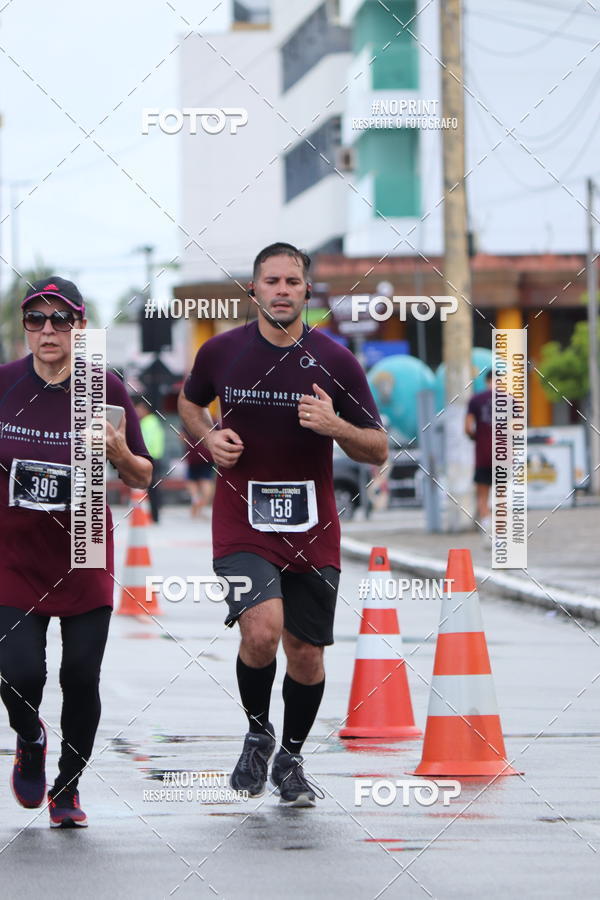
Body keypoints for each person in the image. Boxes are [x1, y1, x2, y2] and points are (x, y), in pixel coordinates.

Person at [178, 243, 387, 807]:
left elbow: (378, 449)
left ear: (306, 291)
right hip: (242, 520)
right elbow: (190, 403)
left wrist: (334, 424)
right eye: (271, 280)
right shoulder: (220, 353)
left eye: (292, 281)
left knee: (307, 652)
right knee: (262, 630)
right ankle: (256, 731)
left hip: (313, 526)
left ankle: (290, 756)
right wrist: (206, 436)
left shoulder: (337, 362)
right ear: (254, 289)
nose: (282, 290)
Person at [0, 277, 152, 827]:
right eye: (35, 320)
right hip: (13, 555)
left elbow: (141, 472)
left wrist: (120, 453)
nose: (46, 330)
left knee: (81, 675)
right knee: (18, 673)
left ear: (79, 328)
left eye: (59, 321)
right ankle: (30, 735)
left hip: (84, 546)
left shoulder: (102, 388)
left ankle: (68, 787)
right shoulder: (4, 385)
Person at [465, 370, 493, 536]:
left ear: (486, 381)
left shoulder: (475, 400)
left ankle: (487, 527)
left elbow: (467, 427)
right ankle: (501, 532)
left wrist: (476, 437)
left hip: (482, 454)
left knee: (482, 495)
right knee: (502, 495)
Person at [132, 395, 165, 523]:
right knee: (153, 488)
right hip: (155, 458)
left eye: (138, 409)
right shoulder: (154, 421)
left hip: (150, 459)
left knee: (151, 489)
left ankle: (154, 516)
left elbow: (145, 442)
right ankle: (154, 515)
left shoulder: (147, 423)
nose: (136, 412)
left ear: (145, 409)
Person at [181, 429, 215, 517]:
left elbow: (182, 437)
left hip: (193, 454)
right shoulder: (214, 421)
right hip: (208, 454)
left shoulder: (189, 418)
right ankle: (201, 505)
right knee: (206, 479)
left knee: (191, 479)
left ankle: (195, 498)